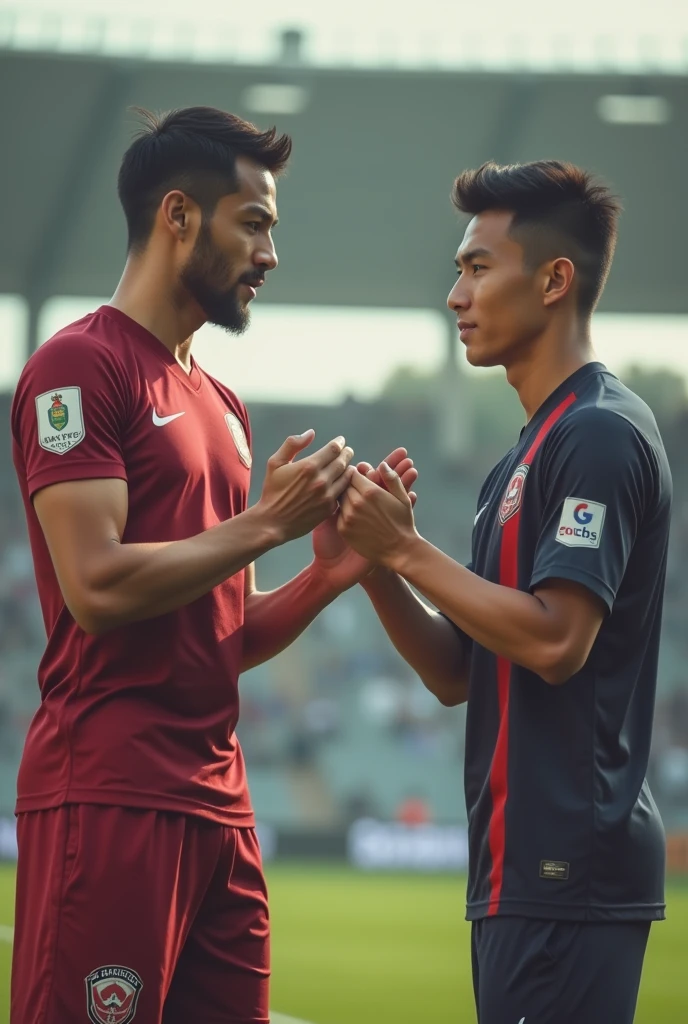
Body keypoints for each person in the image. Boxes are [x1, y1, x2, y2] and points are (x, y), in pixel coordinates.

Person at [9, 106, 417, 1024]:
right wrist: (269, 524)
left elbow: (223, 636)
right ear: (179, 216)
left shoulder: (223, 405)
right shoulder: (77, 367)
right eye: (256, 222)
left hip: (221, 811)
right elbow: (99, 586)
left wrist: (327, 574)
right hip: (110, 794)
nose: (271, 252)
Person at [339, 160, 671, 1024]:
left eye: (478, 267)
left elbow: (558, 642)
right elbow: (460, 671)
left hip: (570, 868)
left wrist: (408, 549)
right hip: (517, 874)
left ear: (555, 279)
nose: (455, 294)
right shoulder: (517, 461)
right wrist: (375, 567)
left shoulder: (597, 434)